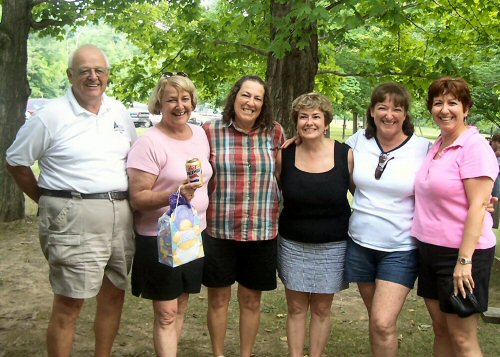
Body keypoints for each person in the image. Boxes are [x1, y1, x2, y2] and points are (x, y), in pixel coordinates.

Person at [5, 44, 137, 357]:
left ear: (107, 75)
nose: (93, 77)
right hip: (73, 214)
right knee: (69, 303)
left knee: (114, 294)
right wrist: (49, 200)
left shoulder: (118, 111)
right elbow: (16, 161)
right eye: (84, 71)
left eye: (99, 70)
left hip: (120, 214)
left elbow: (133, 156)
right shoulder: (50, 117)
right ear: (70, 76)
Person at [126, 73, 212, 357]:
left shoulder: (199, 134)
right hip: (160, 237)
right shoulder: (149, 143)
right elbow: (137, 198)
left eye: (185, 99)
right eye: (172, 99)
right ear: (159, 103)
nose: (179, 105)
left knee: (181, 306)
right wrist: (173, 194)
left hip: (191, 233)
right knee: (165, 312)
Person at [411, 77, 498, 356]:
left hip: (461, 255)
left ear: (467, 108)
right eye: (438, 103)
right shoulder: (438, 144)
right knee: (441, 329)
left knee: (462, 338)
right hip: (430, 250)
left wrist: (464, 261)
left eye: (452, 103)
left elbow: (477, 206)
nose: (444, 109)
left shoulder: (474, 147)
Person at [202, 75, 285, 357]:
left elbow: (281, 176)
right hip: (219, 229)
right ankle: (218, 354)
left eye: (257, 98)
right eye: (245, 95)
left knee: (251, 300)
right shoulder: (210, 131)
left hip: (261, 230)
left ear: (264, 104)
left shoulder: (274, 133)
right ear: (234, 96)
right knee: (219, 299)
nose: (250, 102)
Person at [345, 82, 431, 357]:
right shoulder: (358, 141)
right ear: (372, 111)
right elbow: (328, 160)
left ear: (406, 114)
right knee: (378, 321)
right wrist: (296, 141)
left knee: (382, 321)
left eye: (397, 108)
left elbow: (445, 182)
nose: (389, 114)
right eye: (382, 107)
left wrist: (478, 202)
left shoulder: (423, 148)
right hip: (360, 244)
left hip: (400, 248)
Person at [277, 93, 353, 357]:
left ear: (326, 121)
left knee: (322, 309)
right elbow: (275, 192)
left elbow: (362, 196)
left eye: (316, 116)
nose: (309, 122)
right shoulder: (285, 155)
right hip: (293, 245)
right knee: (296, 309)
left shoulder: (345, 154)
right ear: (296, 121)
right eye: (303, 117)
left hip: (332, 247)